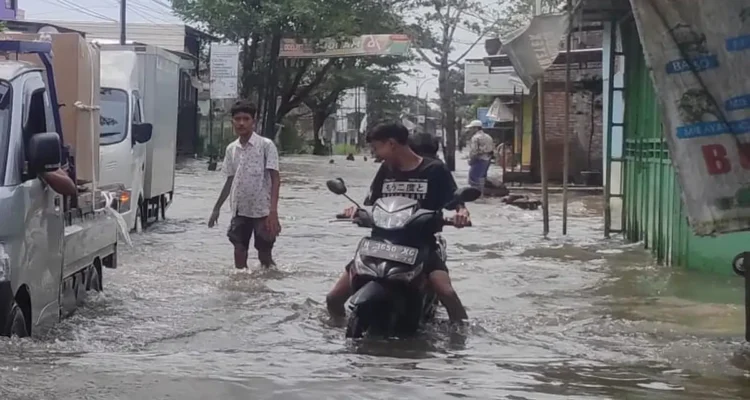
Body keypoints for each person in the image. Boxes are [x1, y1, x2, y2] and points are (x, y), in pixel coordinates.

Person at [326, 122, 471, 323]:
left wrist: (461, 213)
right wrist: (356, 211)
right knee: (333, 298)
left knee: (446, 292)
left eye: (377, 148)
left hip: (420, 245)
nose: (375, 153)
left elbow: (457, 204)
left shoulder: (434, 170)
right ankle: (337, 334)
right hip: (379, 245)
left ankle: (462, 336)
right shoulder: (386, 170)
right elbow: (372, 204)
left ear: (392, 144)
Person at [208, 100, 282, 269]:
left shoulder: (266, 146)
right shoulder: (231, 149)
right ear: (232, 121)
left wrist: (273, 212)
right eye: (238, 119)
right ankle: (241, 291)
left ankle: (267, 286)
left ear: (253, 122)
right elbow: (230, 180)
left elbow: (275, 179)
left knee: (265, 255)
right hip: (240, 210)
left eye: (246, 119)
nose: (241, 123)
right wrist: (216, 208)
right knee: (239, 251)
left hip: (262, 211)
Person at [465, 120, 495, 193]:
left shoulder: (475, 138)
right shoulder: (488, 137)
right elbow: (492, 150)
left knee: (473, 179)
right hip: (487, 160)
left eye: (471, 128)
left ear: (476, 128)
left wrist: (471, 161)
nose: (470, 130)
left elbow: (474, 152)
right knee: (482, 179)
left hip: (478, 160)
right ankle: (481, 195)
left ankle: (475, 197)